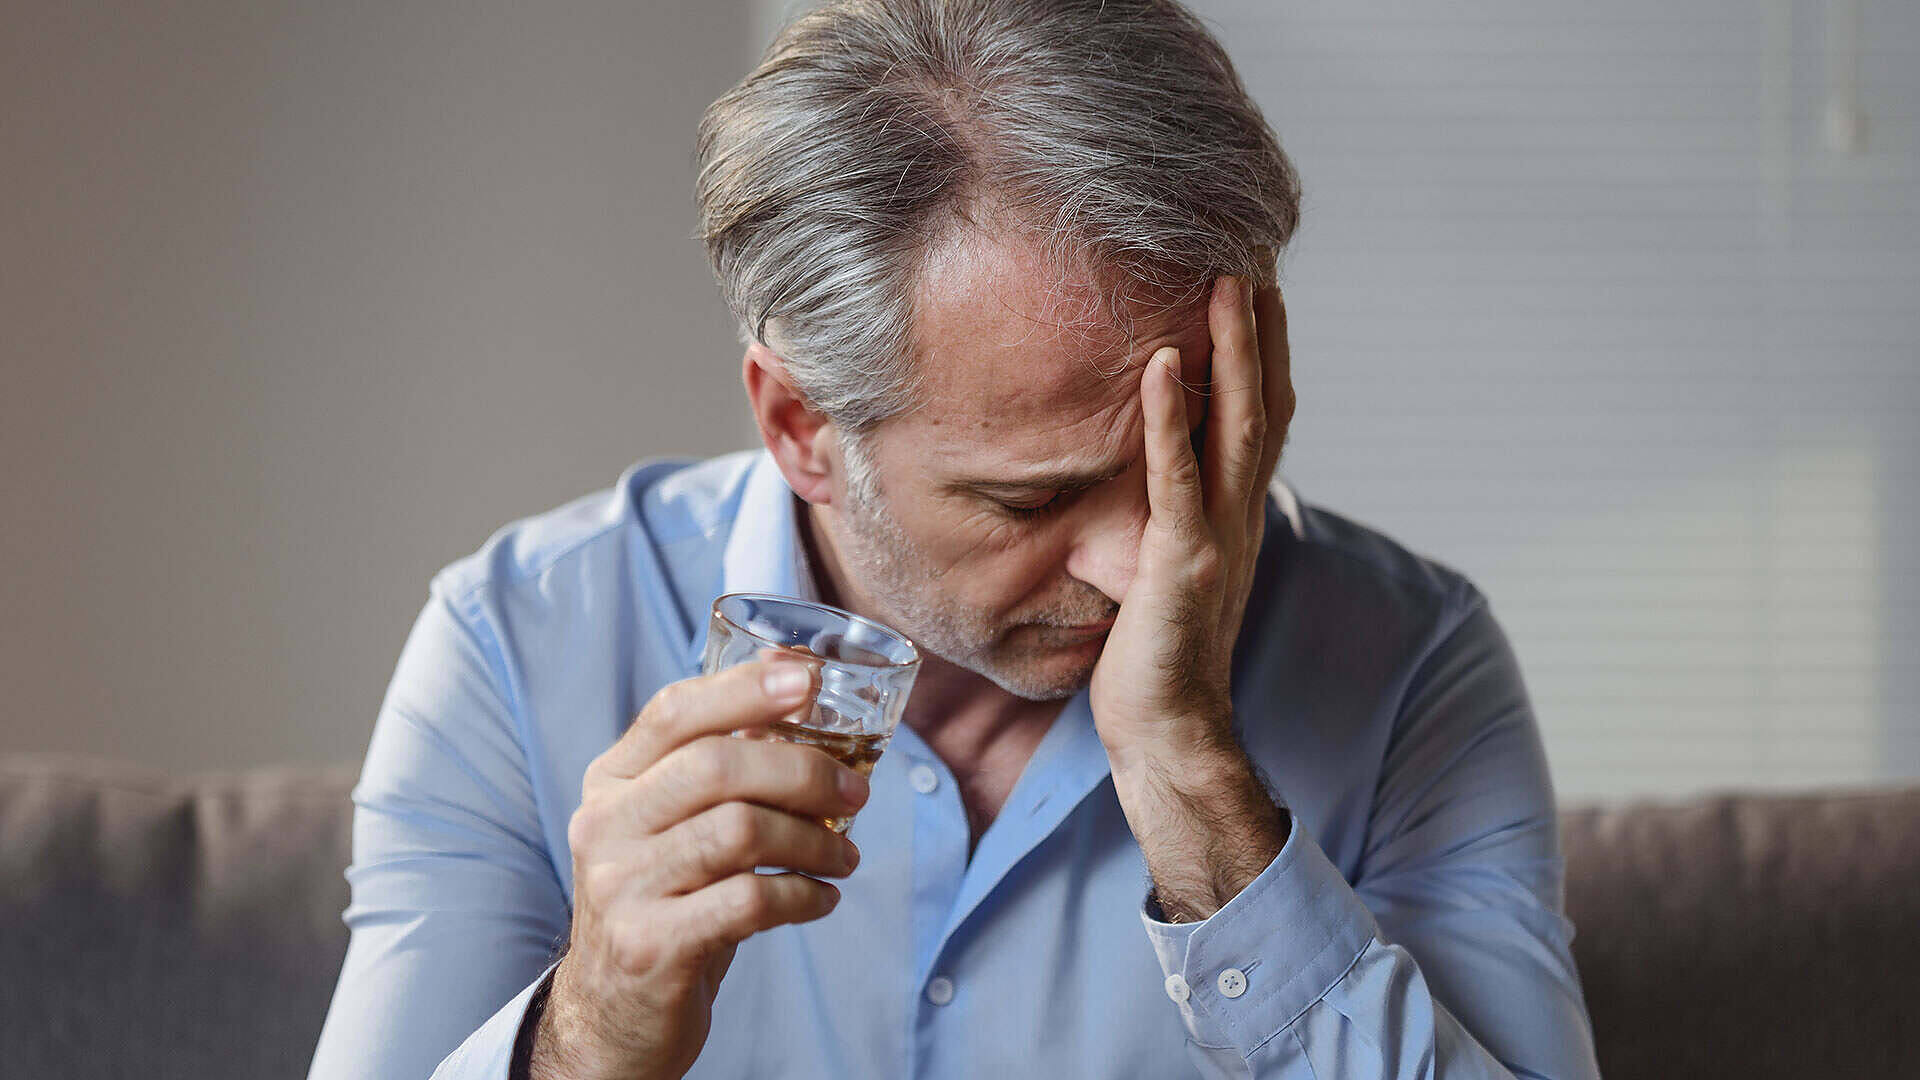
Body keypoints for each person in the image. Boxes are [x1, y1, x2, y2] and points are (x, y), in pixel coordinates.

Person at [306, 1, 1601, 1077]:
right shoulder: (521, 644)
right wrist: (586, 1036)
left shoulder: (1413, 664)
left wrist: (1194, 782)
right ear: (800, 422)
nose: (1139, 565)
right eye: (1032, 500)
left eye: (1188, 456)